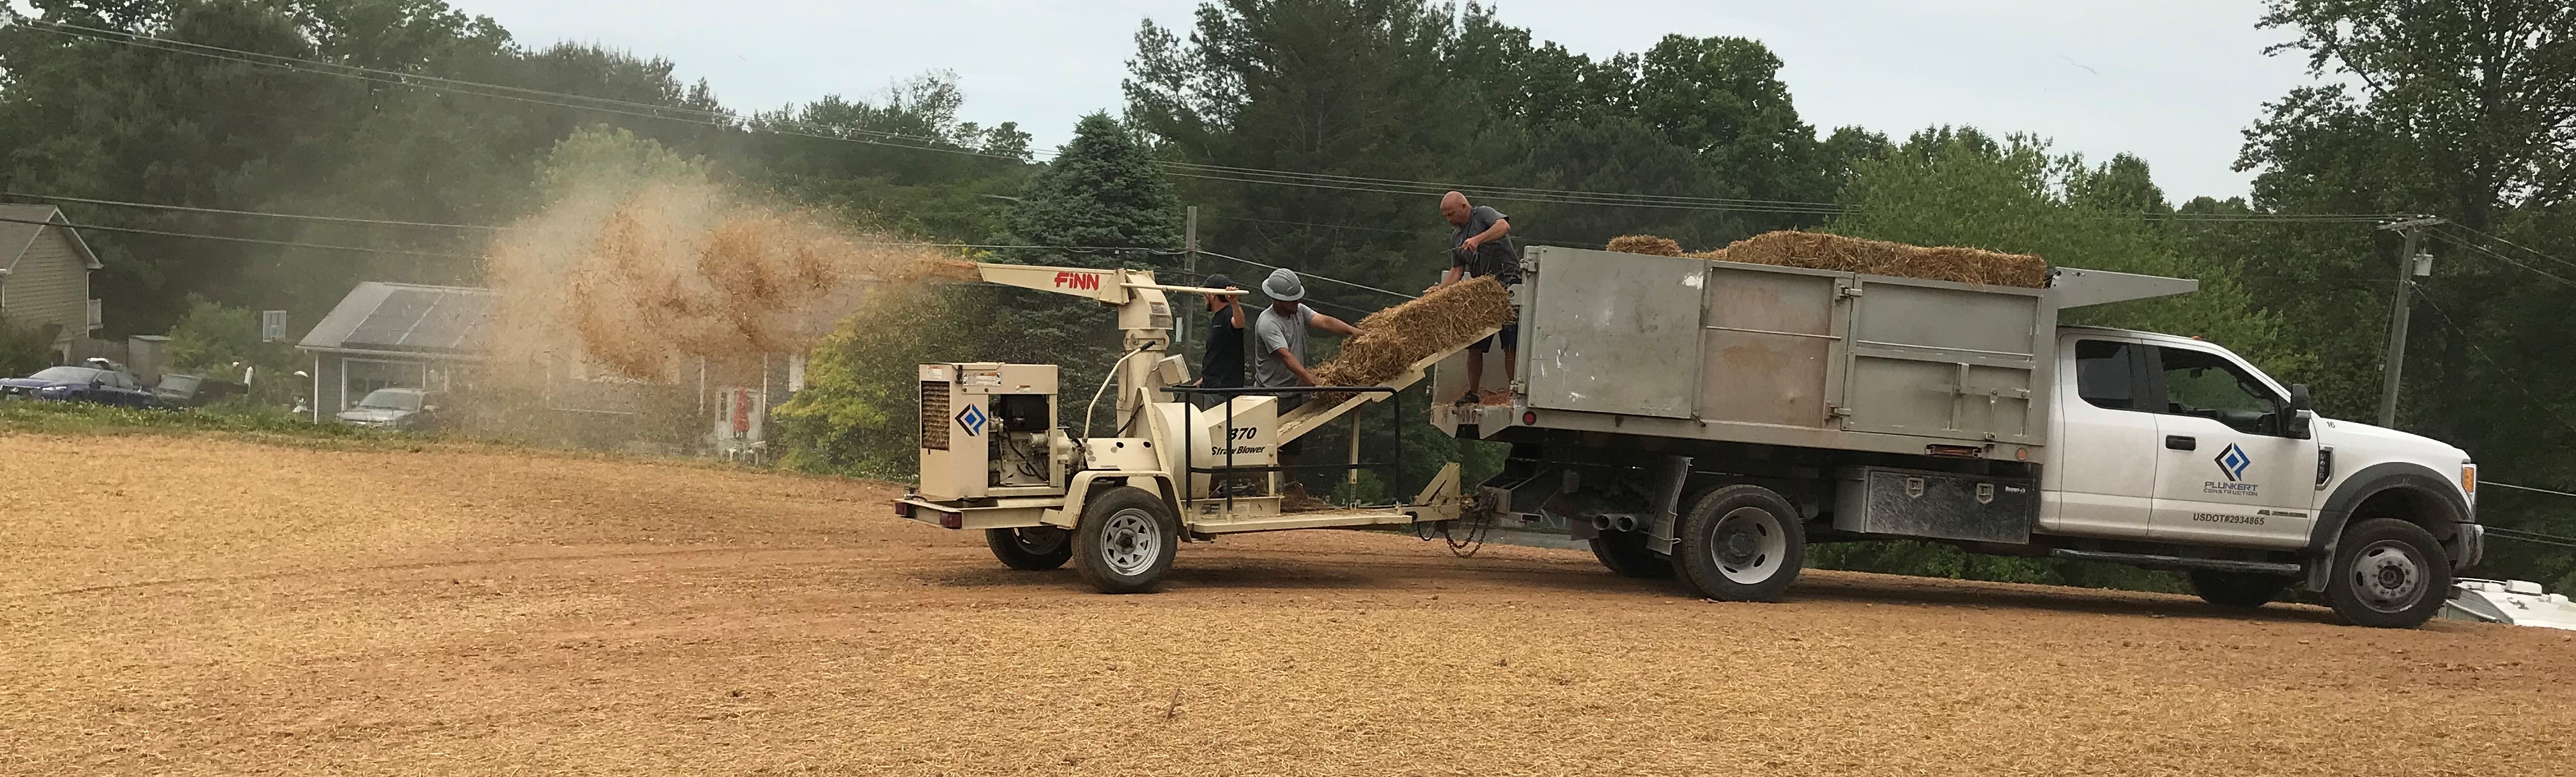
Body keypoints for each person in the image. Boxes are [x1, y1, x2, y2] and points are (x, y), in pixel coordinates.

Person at [1254, 267, 1363, 502]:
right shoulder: (1268, 323)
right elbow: (1285, 356)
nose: (1297, 302)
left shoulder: (1298, 311)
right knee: (1269, 445)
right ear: (1277, 299)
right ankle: (1262, 490)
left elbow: (1324, 321)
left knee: (1293, 445)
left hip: (1293, 391)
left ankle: (1291, 488)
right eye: (1291, 300)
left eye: (1297, 298)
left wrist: (1353, 332)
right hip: (1272, 394)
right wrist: (1311, 380)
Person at [1431, 190, 1520, 404]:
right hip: (1482, 294)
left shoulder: (1483, 215)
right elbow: (1456, 272)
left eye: (1451, 214)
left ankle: (1514, 394)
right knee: (1475, 345)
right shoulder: (1456, 237)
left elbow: (1504, 227)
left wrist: (1478, 240)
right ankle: (1473, 393)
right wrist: (1440, 291)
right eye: (1446, 217)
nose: (1449, 220)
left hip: (1508, 286)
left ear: (1464, 206)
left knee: (1510, 344)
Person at [1187, 273, 1247, 408]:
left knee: (1219, 428)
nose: (1203, 298)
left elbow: (1239, 323)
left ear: (1213, 295)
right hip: (1212, 386)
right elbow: (1218, 354)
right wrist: (1205, 378)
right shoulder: (1216, 318)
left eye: (1205, 294)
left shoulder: (1229, 313)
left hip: (1223, 391)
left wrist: (1235, 303)